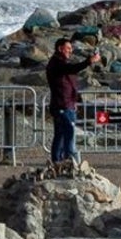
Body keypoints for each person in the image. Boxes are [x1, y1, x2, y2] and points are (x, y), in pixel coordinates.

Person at [46, 37, 100, 169]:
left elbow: (69, 78)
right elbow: (72, 69)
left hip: (66, 104)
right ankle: (72, 164)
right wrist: (88, 61)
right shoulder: (57, 63)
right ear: (60, 48)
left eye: (71, 48)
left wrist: (74, 100)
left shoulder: (60, 63)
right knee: (68, 135)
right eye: (68, 48)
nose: (71, 51)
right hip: (62, 105)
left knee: (60, 135)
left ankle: (57, 163)